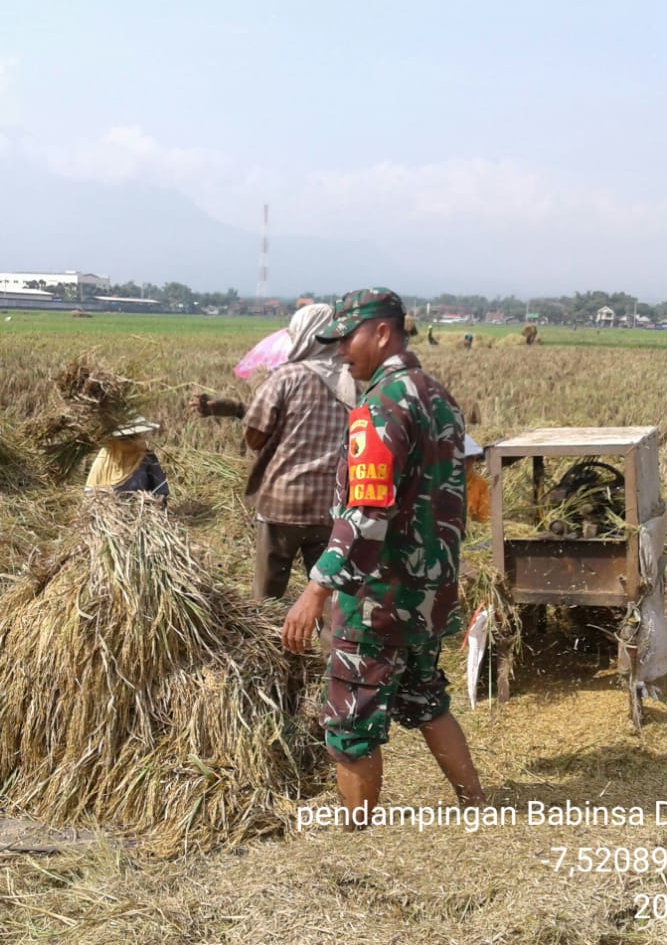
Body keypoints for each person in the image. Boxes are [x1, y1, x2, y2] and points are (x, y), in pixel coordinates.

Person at [283, 287, 486, 826]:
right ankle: (475, 802)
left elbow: (367, 512)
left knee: (349, 723)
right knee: (424, 695)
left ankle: (359, 834)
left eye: (346, 337)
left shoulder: (382, 405)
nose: (339, 351)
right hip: (431, 590)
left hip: (380, 595)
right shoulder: (437, 395)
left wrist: (317, 588)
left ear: (381, 332)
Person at [193, 303, 356, 599]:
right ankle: (331, 646)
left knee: (267, 597)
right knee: (327, 596)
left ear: (305, 336)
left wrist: (256, 394)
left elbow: (255, 438)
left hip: (284, 504)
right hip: (333, 507)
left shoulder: (286, 378)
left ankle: (272, 642)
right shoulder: (354, 382)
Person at [84, 415, 169, 504]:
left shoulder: (147, 457)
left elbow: (161, 490)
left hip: (140, 511)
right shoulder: (104, 457)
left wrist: (151, 501)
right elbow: (89, 492)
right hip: (109, 511)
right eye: (123, 439)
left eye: (132, 437)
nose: (128, 442)